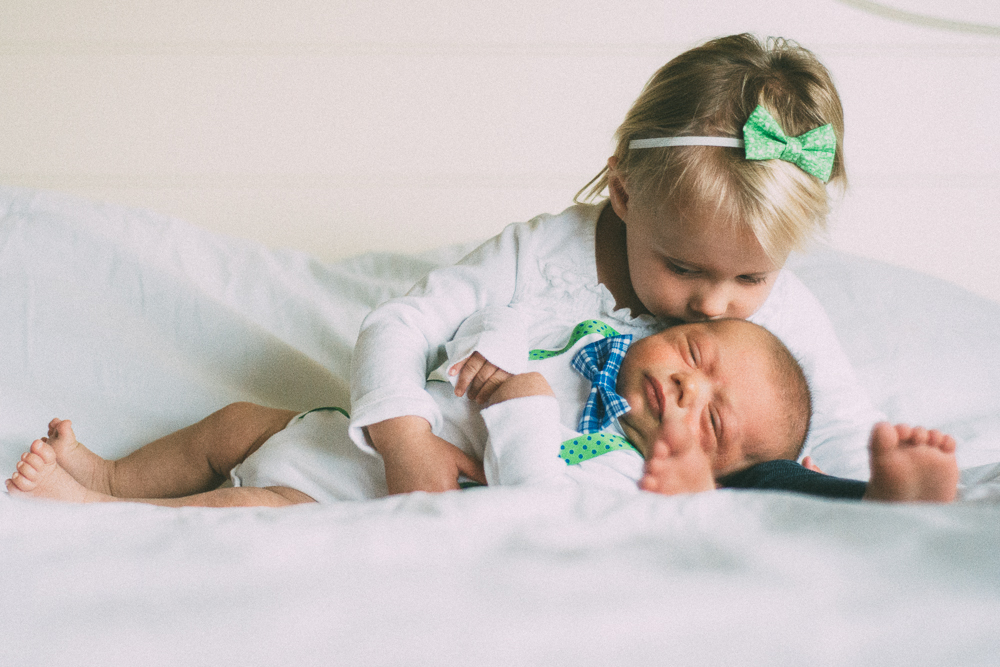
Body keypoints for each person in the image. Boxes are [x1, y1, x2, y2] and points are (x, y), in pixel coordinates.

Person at [350, 33, 884, 495]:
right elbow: (401, 324)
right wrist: (405, 440)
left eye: (751, 277)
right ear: (624, 193)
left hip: (606, 498)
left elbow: (843, 426)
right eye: (683, 268)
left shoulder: (784, 312)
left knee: (771, 478)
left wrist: (880, 491)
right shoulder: (540, 254)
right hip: (454, 460)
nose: (713, 304)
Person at [5, 318, 958, 505]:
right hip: (338, 430)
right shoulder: (591, 337)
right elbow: (502, 326)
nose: (685, 388)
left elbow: (531, 500)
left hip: (335, 500)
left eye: (710, 419)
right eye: (697, 356)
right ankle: (111, 474)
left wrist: (523, 410)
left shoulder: (621, 468)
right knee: (232, 422)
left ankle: (113, 517)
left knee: (248, 510)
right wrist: (497, 345)